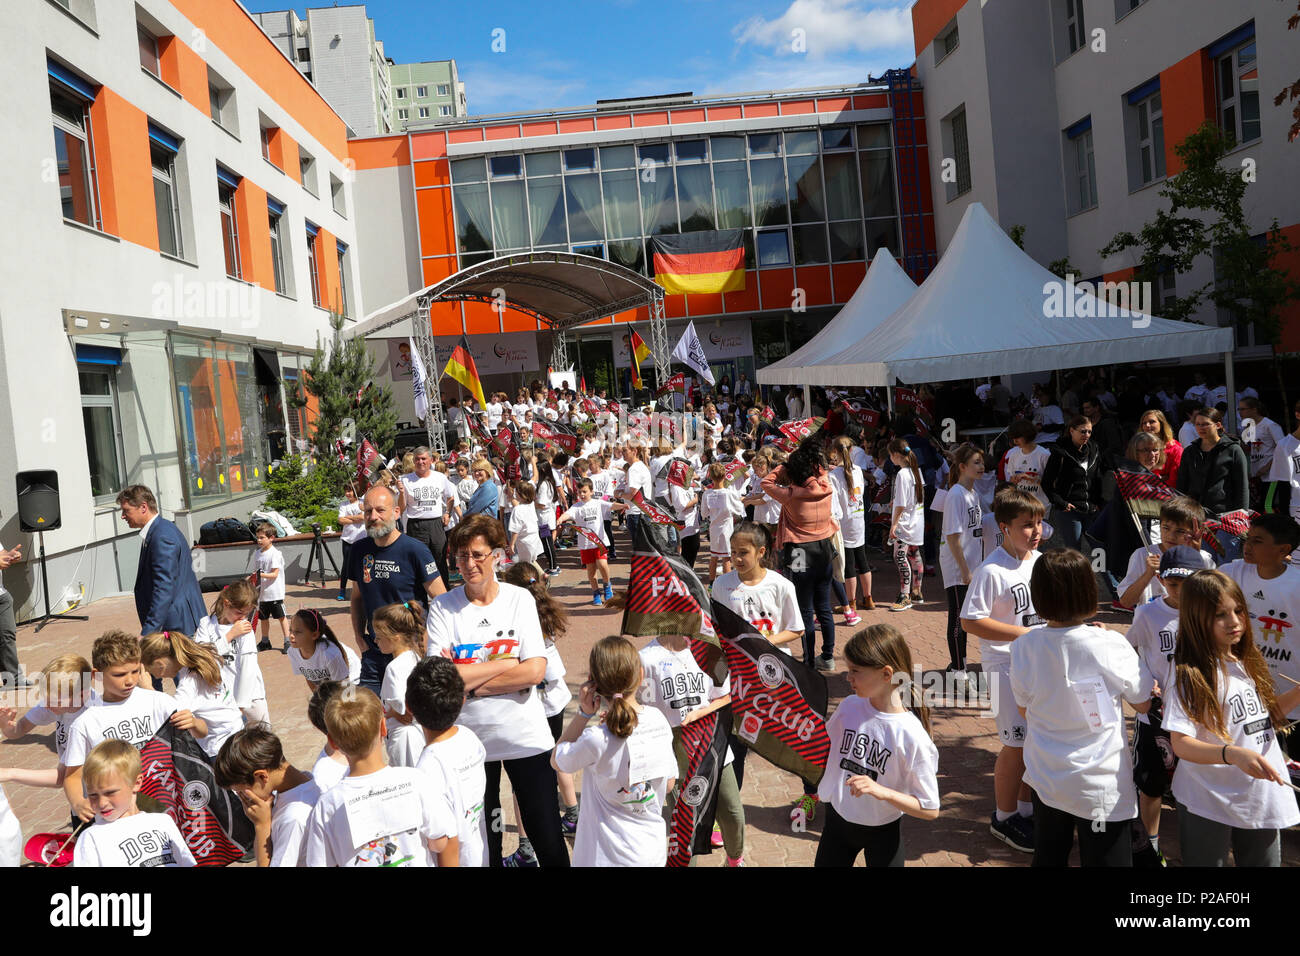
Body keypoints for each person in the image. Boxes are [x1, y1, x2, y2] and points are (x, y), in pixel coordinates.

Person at [423, 515, 569, 868]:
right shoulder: (443, 607)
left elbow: (535, 670)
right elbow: (441, 680)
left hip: (527, 738)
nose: (468, 564)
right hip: (470, 746)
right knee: (483, 844)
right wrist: (507, 664)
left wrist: (469, 686)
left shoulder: (519, 599)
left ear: (497, 555)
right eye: (460, 556)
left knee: (547, 835)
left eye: (476, 555)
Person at [1010, 549, 1146, 867]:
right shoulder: (1111, 644)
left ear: (1038, 593)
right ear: (1089, 590)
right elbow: (1142, 702)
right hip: (1100, 785)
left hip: (1046, 778)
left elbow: (1024, 710)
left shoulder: (1023, 646)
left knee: (1048, 856)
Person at [1164, 570, 1300, 866]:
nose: (1235, 621)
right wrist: (1233, 754)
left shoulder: (1245, 658)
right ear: (1197, 619)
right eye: (1220, 615)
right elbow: (1181, 743)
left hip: (1260, 796)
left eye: (1239, 610)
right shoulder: (1189, 674)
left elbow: (1264, 718)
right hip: (1209, 799)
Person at [961, 488, 1046, 853]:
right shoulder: (991, 570)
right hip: (1004, 666)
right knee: (1014, 743)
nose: (1036, 530)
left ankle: (1025, 809)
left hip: (1038, 664)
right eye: (1027, 525)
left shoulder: (1039, 561)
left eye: (1039, 522)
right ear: (1005, 527)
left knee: (1032, 741)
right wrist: (1023, 634)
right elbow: (970, 621)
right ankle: (1004, 816)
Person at [815, 624, 939, 867]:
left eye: (855, 671)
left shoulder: (912, 735)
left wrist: (881, 791)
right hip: (837, 822)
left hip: (883, 831)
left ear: (886, 674)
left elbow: (929, 808)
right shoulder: (849, 706)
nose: (848, 677)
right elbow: (822, 747)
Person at [553, 636, 677, 867]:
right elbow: (669, 784)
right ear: (640, 675)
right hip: (651, 852)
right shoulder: (659, 720)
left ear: (593, 683)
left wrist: (583, 714)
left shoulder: (596, 739)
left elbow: (558, 760)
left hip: (604, 857)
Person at [302, 688, 458, 867]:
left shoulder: (327, 805)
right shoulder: (416, 781)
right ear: (383, 727)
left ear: (333, 742)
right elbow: (441, 842)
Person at [638, 630, 747, 865]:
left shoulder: (709, 650)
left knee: (733, 814)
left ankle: (735, 859)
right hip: (674, 752)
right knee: (687, 827)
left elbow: (726, 696)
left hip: (712, 744)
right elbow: (640, 708)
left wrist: (700, 712)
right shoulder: (645, 658)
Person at [1124, 545, 1200, 866]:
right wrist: (1143, 680)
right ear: (1161, 580)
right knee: (1151, 784)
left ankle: (1196, 849)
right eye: (1174, 584)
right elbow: (1127, 651)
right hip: (1156, 716)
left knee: (1192, 789)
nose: (1181, 592)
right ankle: (1150, 847)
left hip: (1197, 718)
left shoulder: (1207, 614)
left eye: (1189, 584)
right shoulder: (1147, 614)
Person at [62, 631, 176, 823]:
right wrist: (78, 802)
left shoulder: (160, 702)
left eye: (135, 671)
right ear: (97, 676)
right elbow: (72, 776)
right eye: (119, 674)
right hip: (115, 820)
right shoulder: (86, 723)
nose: (130, 680)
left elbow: (193, 745)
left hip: (165, 809)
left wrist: (195, 723)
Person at [347, 484, 445, 696]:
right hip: (373, 651)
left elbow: (441, 598)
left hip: (408, 651)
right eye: (368, 511)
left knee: (410, 717)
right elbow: (356, 597)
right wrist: (358, 636)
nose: (373, 516)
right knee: (369, 719)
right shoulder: (358, 550)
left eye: (380, 510)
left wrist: (427, 639)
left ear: (396, 512)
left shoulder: (415, 550)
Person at [763, 437, 838, 672]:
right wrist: (809, 461)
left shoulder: (790, 494)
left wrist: (783, 466)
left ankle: (808, 661)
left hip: (799, 550)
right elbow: (821, 471)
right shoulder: (826, 486)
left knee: (805, 608)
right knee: (824, 606)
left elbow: (767, 481)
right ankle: (828, 656)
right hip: (824, 547)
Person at [1221, 513, 1300, 733]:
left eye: (1258, 541)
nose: (1248, 545)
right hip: (1244, 692)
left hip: (1292, 701)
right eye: (1248, 538)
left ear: (1283, 550)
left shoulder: (1297, 585)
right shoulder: (1231, 573)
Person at [408, 656, 489, 868]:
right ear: (463, 700)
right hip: (479, 854)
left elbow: (445, 842)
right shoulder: (469, 737)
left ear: (409, 708)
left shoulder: (427, 768)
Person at [72, 739, 195, 867]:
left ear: (136, 783)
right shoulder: (91, 837)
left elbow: (186, 863)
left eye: (110, 792)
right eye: (93, 795)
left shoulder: (163, 821)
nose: (101, 803)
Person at [0, 654, 95, 812]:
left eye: (55, 701)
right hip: (78, 796)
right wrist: (7, 726)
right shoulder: (59, 702)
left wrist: (10, 773)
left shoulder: (87, 720)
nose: (47, 705)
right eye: (46, 697)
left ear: (82, 695)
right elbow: (20, 729)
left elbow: (62, 777)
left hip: (96, 800)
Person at [214, 726, 320, 867]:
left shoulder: (293, 819)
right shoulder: (305, 780)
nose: (243, 798)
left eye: (242, 791)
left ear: (261, 776)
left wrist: (261, 825)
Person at [118, 485, 206, 641]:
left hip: (179, 626)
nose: (123, 516)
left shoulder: (162, 536)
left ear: (143, 507)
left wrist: (149, 631)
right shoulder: (161, 530)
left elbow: (164, 586)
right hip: (178, 622)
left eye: (126, 510)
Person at [140, 630, 242, 760]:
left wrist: (148, 688)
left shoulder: (190, 682)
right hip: (236, 730)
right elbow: (218, 646)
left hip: (220, 747)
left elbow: (171, 713)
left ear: (160, 664)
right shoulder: (203, 654)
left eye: (151, 672)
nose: (154, 676)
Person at [1177, 407, 1250, 562]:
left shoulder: (1233, 450)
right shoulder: (1190, 451)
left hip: (1226, 518)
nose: (1200, 428)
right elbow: (1181, 486)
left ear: (1217, 425)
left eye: (1205, 424)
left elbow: (1242, 487)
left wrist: (1241, 518)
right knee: (1203, 563)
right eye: (1197, 424)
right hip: (1198, 518)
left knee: (1227, 564)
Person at [941, 445, 985, 686]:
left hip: (971, 565)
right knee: (958, 618)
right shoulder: (956, 494)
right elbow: (952, 536)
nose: (982, 467)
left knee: (966, 617)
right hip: (958, 568)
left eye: (982, 462)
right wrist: (965, 570)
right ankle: (958, 670)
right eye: (976, 462)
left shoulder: (972, 493)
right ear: (962, 467)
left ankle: (957, 664)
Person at [194, 580, 266, 726]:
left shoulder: (245, 629)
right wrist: (229, 636)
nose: (243, 618)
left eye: (247, 613)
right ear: (226, 603)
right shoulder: (206, 624)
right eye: (239, 613)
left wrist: (240, 705)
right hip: (221, 696)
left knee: (264, 740)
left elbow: (248, 669)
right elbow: (201, 657)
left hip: (251, 697)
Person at [373, 602, 427, 769]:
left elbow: (402, 709)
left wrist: (390, 714)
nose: (375, 641)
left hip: (405, 737)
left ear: (395, 637)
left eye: (379, 637)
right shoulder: (417, 657)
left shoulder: (394, 667)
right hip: (418, 732)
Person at [557, 478, 623, 606]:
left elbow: (611, 506)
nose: (581, 494)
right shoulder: (576, 506)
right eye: (579, 492)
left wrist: (623, 506)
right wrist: (560, 519)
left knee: (602, 564)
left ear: (591, 491)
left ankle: (607, 586)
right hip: (585, 544)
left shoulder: (598, 503)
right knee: (591, 571)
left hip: (599, 542)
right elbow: (568, 514)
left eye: (584, 492)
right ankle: (596, 592)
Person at [1041, 415, 1102, 553]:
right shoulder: (1059, 452)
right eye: (1082, 431)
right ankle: (1076, 575)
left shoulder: (1094, 449)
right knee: (1074, 551)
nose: (1086, 435)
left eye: (1089, 432)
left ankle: (1107, 575)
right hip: (1070, 511)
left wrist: (1099, 502)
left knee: (1100, 549)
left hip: (1091, 509)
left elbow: (1098, 478)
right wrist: (1061, 503)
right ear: (1072, 431)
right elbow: (1046, 483)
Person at [830, 436, 872, 619]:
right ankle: (868, 598)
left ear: (835, 452)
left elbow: (834, 502)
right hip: (858, 519)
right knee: (862, 559)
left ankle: (851, 601)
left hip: (844, 522)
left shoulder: (833, 476)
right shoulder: (858, 471)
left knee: (848, 564)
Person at [400, 447, 456, 583]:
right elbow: (401, 508)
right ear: (413, 461)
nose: (420, 462)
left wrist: (447, 513)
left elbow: (451, 498)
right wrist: (401, 493)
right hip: (416, 525)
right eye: (417, 459)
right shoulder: (405, 480)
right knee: (418, 561)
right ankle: (420, 598)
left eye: (424, 459)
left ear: (430, 460)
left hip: (436, 524)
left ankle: (444, 594)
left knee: (440, 559)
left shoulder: (440, 477)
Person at [887, 439, 925, 612]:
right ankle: (917, 591)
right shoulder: (916, 470)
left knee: (899, 556)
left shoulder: (902, 474)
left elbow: (902, 503)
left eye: (890, 455)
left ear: (895, 455)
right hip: (916, 520)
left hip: (905, 522)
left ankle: (905, 595)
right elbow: (914, 496)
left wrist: (893, 525)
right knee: (914, 554)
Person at [701, 462, 745, 582]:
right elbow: (739, 509)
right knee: (726, 558)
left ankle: (711, 583)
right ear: (725, 476)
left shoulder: (707, 494)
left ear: (710, 476)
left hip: (714, 528)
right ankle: (728, 583)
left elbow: (704, 514)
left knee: (714, 557)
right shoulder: (729, 493)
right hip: (726, 529)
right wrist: (742, 500)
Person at [253, 524, 289, 653]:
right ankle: (265, 641)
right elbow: (256, 572)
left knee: (281, 617)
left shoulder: (275, 554)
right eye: (258, 537)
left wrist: (258, 575)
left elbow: (274, 574)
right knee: (263, 618)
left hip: (274, 594)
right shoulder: (257, 553)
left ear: (271, 538)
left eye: (262, 537)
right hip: (262, 594)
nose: (259, 540)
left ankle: (287, 641)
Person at [0, 539, 25, 687]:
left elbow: (2, 555)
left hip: (2, 597)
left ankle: (14, 679)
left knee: (6, 637)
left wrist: (10, 557)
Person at [1138, 409, 1182, 486]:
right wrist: (1160, 478)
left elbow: (1175, 481)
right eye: (1144, 423)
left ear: (1161, 424)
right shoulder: (1137, 447)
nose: (1147, 425)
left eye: (1152, 422)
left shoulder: (1175, 449)